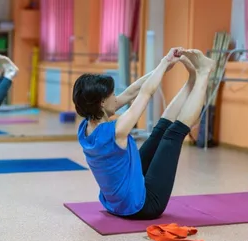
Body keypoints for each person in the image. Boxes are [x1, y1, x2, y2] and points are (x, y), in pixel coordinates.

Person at [73, 48, 215, 220]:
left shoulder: (86, 128)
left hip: (116, 204)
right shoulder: (117, 130)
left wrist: (163, 66)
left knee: (159, 131)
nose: (116, 97)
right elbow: (145, 93)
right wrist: (163, 64)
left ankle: (192, 80)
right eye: (113, 94)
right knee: (173, 134)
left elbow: (132, 91)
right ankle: (204, 73)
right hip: (144, 206)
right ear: (102, 102)